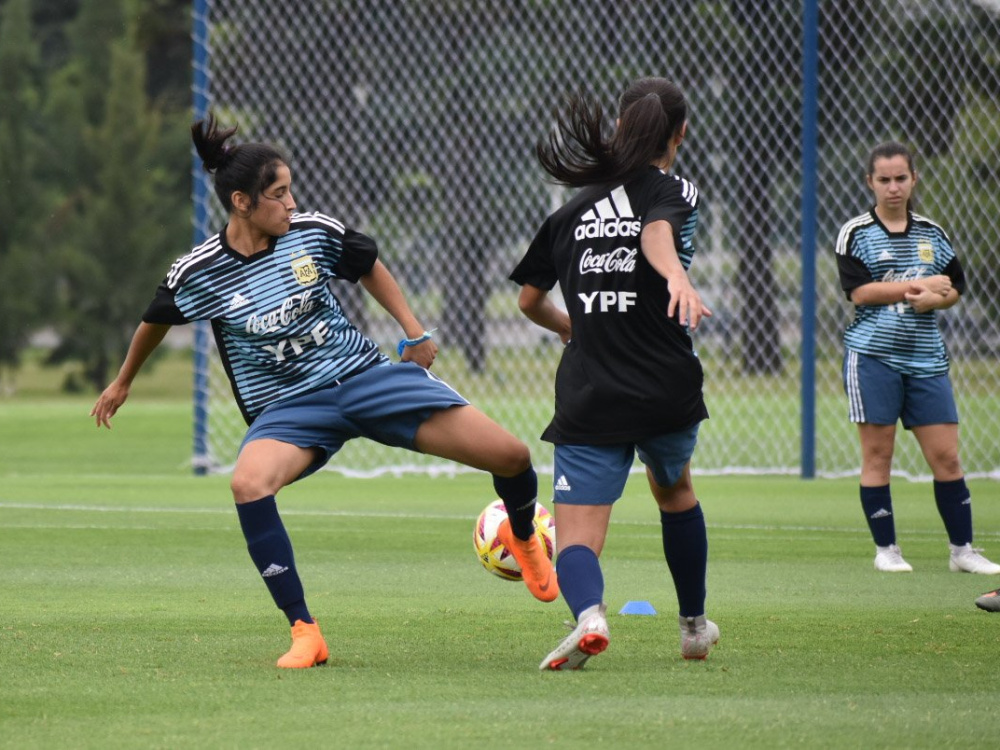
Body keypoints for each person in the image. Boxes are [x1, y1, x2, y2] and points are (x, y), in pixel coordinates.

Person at [91, 115, 558, 669]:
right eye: (279, 194)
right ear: (241, 202)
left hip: (365, 378)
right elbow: (155, 320)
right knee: (247, 483)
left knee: (512, 455)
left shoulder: (312, 232)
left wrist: (414, 331)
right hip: (289, 410)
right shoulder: (201, 271)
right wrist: (123, 381)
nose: (292, 204)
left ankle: (524, 536)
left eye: (291, 191)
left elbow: (368, 266)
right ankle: (305, 632)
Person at [510, 77, 719, 671]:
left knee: (577, 534)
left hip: (591, 389)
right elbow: (656, 232)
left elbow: (528, 301)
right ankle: (694, 628)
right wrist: (676, 277)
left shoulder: (570, 208)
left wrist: (569, 328)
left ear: (619, 129)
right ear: (681, 132)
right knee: (675, 491)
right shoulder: (676, 188)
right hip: (664, 386)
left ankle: (590, 616)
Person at [834, 141, 999, 576]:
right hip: (873, 358)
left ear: (914, 179)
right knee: (878, 456)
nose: (893, 187)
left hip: (927, 360)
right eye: (884, 180)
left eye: (901, 178)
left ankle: (962, 551)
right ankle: (887, 549)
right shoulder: (856, 233)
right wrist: (921, 286)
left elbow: (954, 288)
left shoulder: (932, 234)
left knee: (946, 457)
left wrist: (937, 300)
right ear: (870, 182)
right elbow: (860, 292)